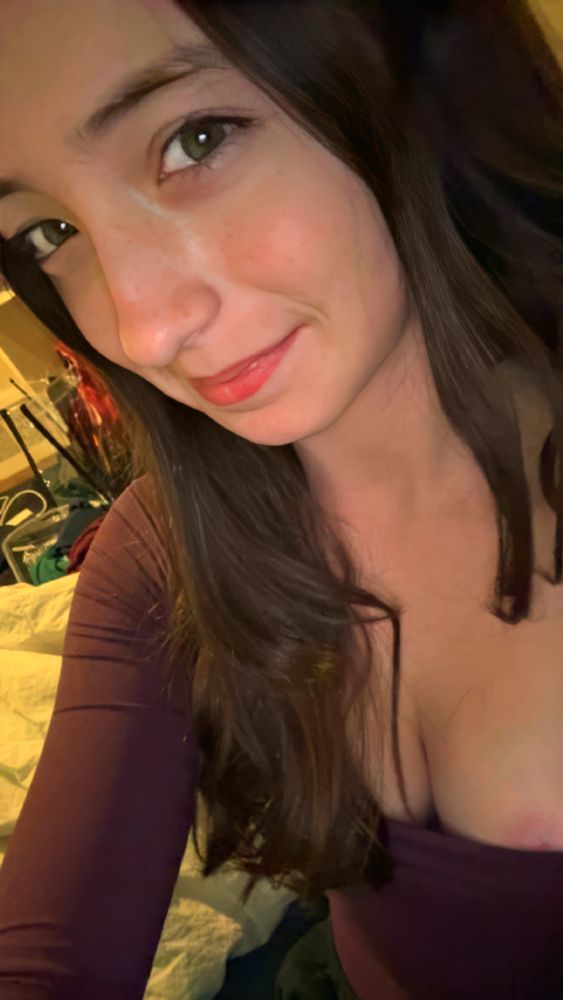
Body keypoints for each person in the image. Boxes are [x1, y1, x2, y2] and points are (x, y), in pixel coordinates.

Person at [0, 0, 562, 996]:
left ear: (391, 70)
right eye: (49, 231)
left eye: (195, 140)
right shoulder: (165, 554)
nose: (141, 327)